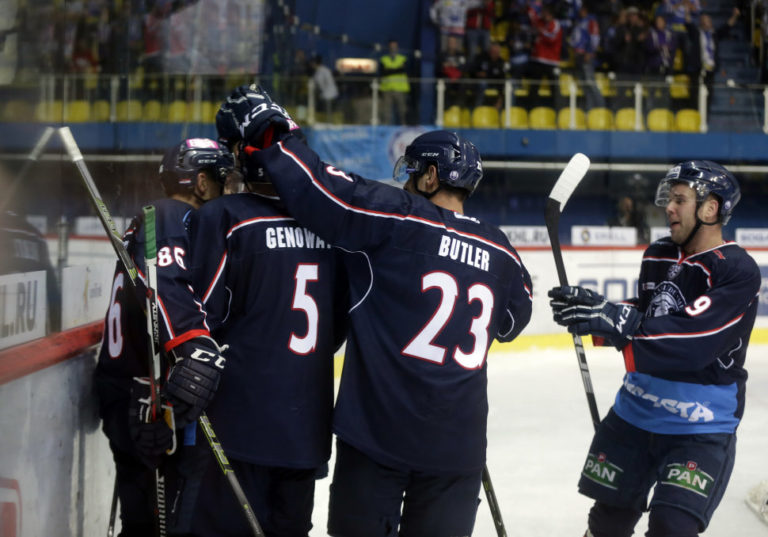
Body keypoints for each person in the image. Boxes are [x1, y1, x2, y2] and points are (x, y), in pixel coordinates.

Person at [226, 85, 533, 537]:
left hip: (378, 437)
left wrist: (275, 133)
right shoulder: (503, 251)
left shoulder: (399, 217)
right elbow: (512, 321)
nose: (405, 183)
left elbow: (322, 191)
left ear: (430, 177)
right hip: (457, 448)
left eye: (411, 174)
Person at [162, 96, 349, 537]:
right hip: (306, 429)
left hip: (240, 426)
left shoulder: (226, 218)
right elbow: (338, 327)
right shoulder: (334, 230)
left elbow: (204, 314)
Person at [549, 160, 761, 537]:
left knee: (672, 527)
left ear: (711, 208)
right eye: (670, 199)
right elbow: (653, 312)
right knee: (607, 524)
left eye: (680, 200)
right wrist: (594, 313)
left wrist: (615, 320)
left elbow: (695, 340)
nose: (670, 208)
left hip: (700, 423)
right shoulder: (658, 254)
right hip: (635, 414)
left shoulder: (737, 269)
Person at [93, 138, 233, 537]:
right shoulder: (172, 217)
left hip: (126, 387)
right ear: (203, 183)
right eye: (225, 181)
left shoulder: (149, 221)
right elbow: (166, 291)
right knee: (170, 522)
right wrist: (196, 351)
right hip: (146, 396)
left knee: (143, 523)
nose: (231, 191)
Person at [378, 39, 411, 124]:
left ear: (397, 47)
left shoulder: (403, 58)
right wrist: (397, 69)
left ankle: (404, 128)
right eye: (391, 47)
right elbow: (383, 72)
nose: (393, 48)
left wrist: (390, 70)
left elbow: (403, 70)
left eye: (394, 47)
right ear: (388, 47)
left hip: (400, 89)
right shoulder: (384, 59)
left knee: (402, 111)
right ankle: (386, 131)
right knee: (386, 112)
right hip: (387, 89)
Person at [309, 54, 339, 122]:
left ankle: (329, 125)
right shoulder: (319, 71)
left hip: (329, 95)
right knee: (326, 113)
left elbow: (322, 84)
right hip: (326, 95)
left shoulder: (323, 70)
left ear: (314, 63)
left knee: (329, 114)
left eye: (312, 62)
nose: (311, 64)